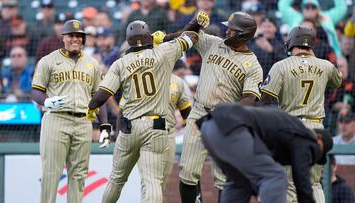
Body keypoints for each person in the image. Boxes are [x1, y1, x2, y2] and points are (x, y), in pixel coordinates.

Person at [86, 20, 199, 203]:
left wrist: (90, 108)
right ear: (149, 36)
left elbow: (101, 96)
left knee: (116, 180)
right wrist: (169, 36)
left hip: (130, 126)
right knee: (152, 181)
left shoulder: (119, 63)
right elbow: (191, 36)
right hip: (157, 126)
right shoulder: (164, 52)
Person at [178, 11, 263, 203]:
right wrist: (195, 22)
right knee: (187, 171)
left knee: (224, 179)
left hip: (225, 121)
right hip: (199, 111)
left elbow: (250, 97)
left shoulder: (253, 65)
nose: (227, 31)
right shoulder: (214, 43)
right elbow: (187, 36)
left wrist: (227, 114)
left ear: (243, 34)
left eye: (232, 30)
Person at [31, 19, 110, 203]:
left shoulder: (92, 64)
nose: (75, 39)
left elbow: (99, 97)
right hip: (56, 120)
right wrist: (47, 102)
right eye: (71, 35)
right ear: (63, 38)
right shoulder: (48, 61)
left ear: (83, 39)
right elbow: (35, 91)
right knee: (51, 172)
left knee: (79, 174)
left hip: (83, 122)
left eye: (79, 36)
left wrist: (105, 125)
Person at [260, 26, 343, 202]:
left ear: (290, 44)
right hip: (317, 129)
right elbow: (338, 82)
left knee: (290, 182)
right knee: (314, 183)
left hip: (292, 128)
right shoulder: (326, 65)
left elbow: (266, 99)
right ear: (311, 46)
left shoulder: (280, 66)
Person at [198, 103, 334, 203]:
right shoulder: (306, 137)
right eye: (318, 153)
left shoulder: (287, 130)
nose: (313, 158)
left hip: (210, 126)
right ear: (318, 138)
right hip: (231, 127)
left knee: (240, 183)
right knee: (275, 175)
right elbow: (301, 176)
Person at [278, 0, 347, 56]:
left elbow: (342, 7)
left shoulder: (327, 18)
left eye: (313, 7)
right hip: (299, 57)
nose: (310, 9)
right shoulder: (295, 18)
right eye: (306, 7)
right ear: (302, 9)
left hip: (326, 56)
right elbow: (283, 5)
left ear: (318, 9)